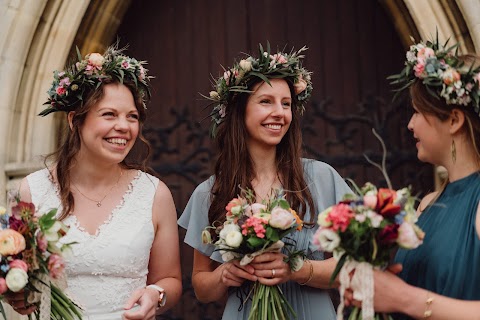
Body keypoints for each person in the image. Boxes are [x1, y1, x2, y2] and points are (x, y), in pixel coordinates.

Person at [6, 46, 182, 319]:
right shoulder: (31, 191)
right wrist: (16, 291)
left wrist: (156, 294)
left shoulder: (154, 194)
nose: (124, 126)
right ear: (75, 120)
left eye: (132, 116)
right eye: (109, 114)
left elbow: (170, 279)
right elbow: (13, 271)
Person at [178, 44, 352, 319]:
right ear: (240, 110)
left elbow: (355, 267)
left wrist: (297, 269)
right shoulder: (211, 193)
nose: (279, 113)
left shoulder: (323, 178)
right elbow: (201, 285)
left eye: (286, 104)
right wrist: (225, 273)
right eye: (266, 101)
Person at [346, 38, 480, 319]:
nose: (410, 124)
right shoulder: (427, 204)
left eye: (418, 112)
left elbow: (409, 299)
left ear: (454, 120)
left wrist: (405, 299)